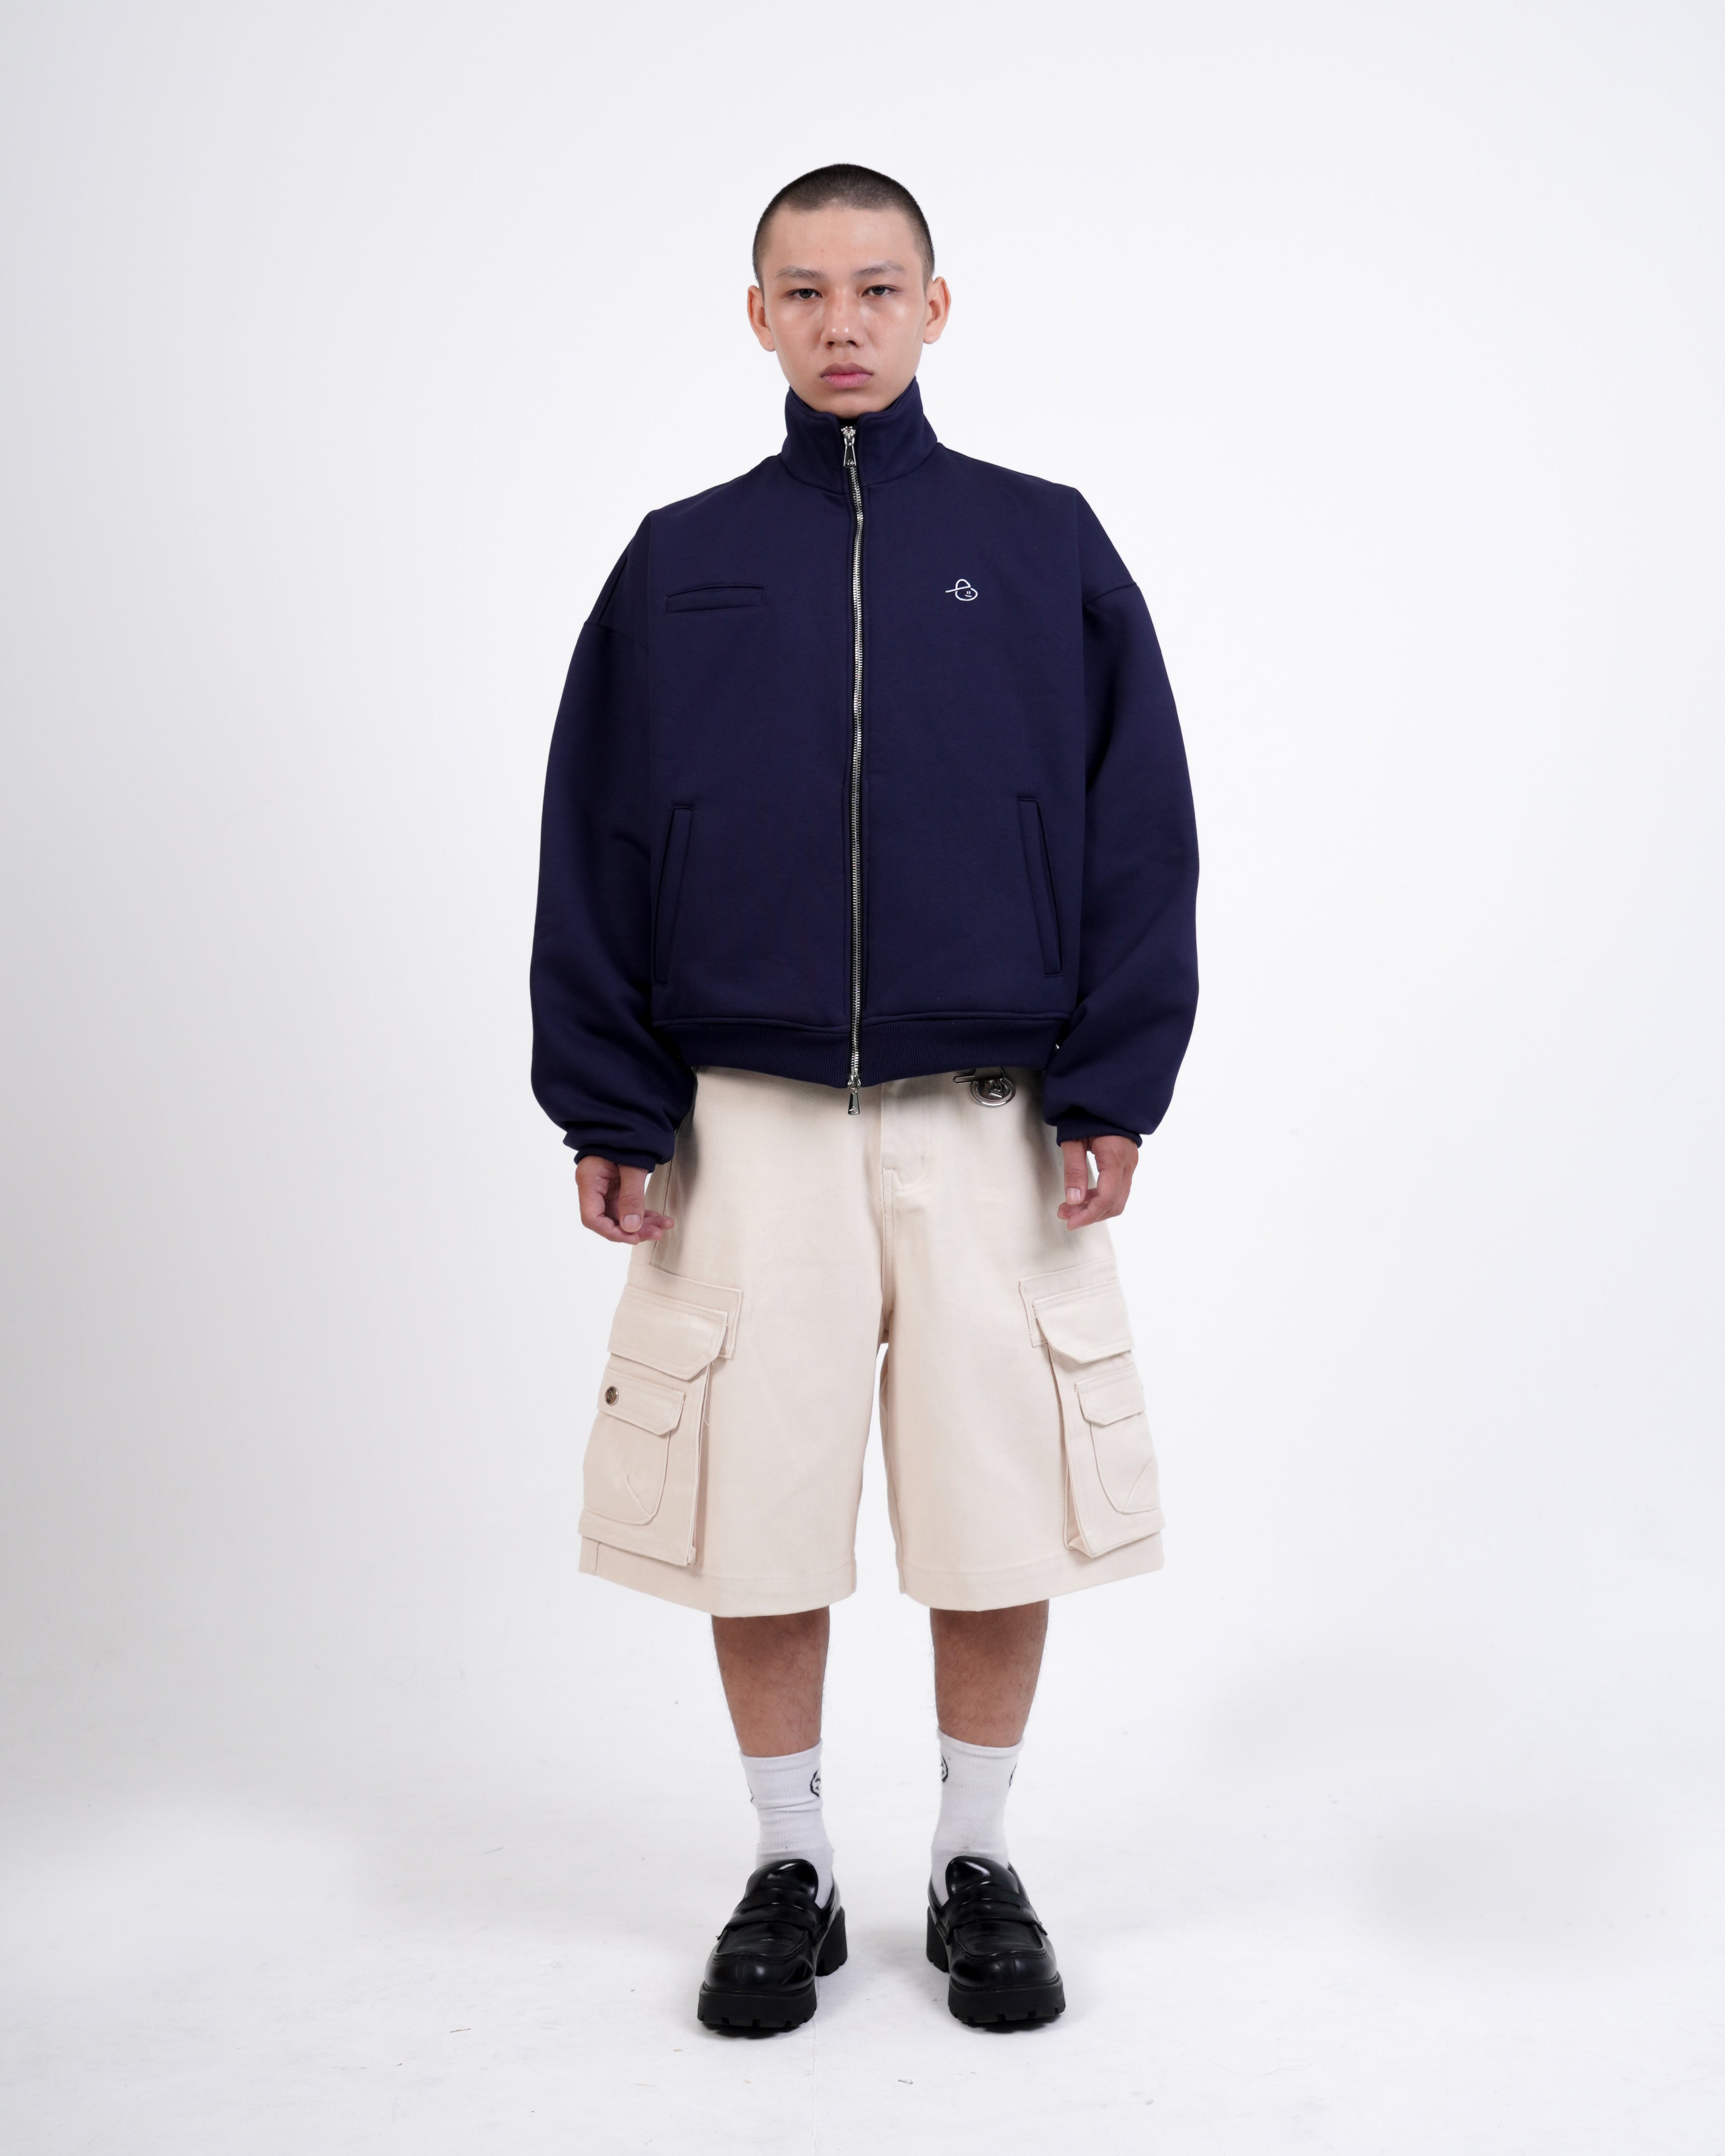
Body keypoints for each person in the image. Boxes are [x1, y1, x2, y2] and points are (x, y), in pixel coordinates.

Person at [530, 164, 1198, 2032]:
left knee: (1000, 1500)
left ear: (935, 307)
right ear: (758, 314)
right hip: (741, 1116)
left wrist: (1114, 1081)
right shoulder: (678, 561)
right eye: (807, 291)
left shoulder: (1044, 544)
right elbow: (592, 835)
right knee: (756, 1499)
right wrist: (607, 1101)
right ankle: (789, 1861)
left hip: (994, 1113)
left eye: (878, 288)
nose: (844, 323)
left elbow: (1140, 825)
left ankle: (975, 1856)